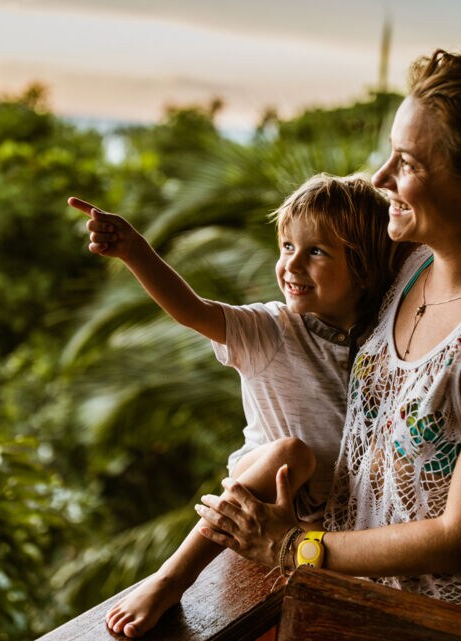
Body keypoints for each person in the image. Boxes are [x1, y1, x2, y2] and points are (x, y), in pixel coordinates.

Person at [194, 48, 461, 620]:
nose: (381, 179)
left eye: (406, 163)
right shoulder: (406, 265)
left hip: (448, 624)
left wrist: (292, 547)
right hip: (350, 598)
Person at [68, 173, 402, 637]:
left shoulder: (385, 338)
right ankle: (171, 577)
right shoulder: (270, 330)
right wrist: (134, 251)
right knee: (291, 453)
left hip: (331, 526)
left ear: (364, 269)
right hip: (261, 498)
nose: (292, 265)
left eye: (316, 251)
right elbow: (192, 309)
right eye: (286, 247)